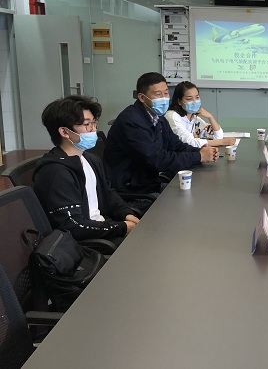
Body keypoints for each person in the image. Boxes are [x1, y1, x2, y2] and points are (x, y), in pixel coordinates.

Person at [34, 96, 139, 245]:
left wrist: (126, 213)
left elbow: (108, 193)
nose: (93, 129)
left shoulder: (90, 159)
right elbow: (73, 226)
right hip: (88, 243)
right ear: (64, 132)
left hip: (103, 228)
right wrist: (121, 227)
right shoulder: (56, 171)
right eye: (86, 124)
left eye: (94, 123)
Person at [103, 72, 219, 196]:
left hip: (148, 182)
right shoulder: (132, 121)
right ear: (142, 97)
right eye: (158, 94)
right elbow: (157, 159)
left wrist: (201, 151)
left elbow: (175, 145)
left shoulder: (158, 117)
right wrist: (199, 157)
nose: (164, 98)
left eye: (166, 93)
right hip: (131, 190)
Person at [165, 81, 236, 148]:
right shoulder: (172, 116)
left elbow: (218, 136)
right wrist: (221, 142)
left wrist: (210, 117)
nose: (195, 101)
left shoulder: (194, 118)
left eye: (197, 97)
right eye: (189, 99)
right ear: (179, 101)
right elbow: (190, 142)